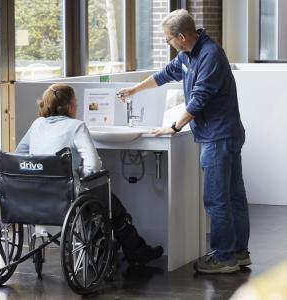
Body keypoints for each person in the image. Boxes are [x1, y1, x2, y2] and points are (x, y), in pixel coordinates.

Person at [117, 9, 250, 274]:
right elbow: (165, 74)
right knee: (233, 196)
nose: (168, 43)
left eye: (168, 39)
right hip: (223, 134)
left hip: (219, 136)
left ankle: (225, 257)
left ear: (181, 36)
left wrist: (174, 126)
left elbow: (200, 98)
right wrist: (134, 90)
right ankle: (238, 252)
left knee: (217, 199)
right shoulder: (187, 55)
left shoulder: (210, 55)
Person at [16, 83, 163, 266]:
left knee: (101, 201)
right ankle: (136, 252)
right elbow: (94, 164)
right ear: (70, 106)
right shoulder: (76, 126)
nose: (77, 106)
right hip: (67, 197)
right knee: (113, 205)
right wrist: (79, 177)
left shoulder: (37, 124)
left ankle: (114, 248)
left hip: (35, 198)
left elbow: (19, 155)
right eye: (75, 102)